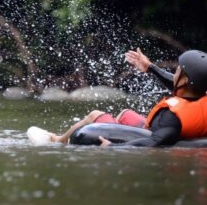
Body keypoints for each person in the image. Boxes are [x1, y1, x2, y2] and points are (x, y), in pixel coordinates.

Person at [27, 48, 207, 147]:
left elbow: (155, 141)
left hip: (154, 134)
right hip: (156, 128)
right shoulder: (199, 94)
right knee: (125, 114)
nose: (173, 74)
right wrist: (150, 67)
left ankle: (56, 141)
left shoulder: (172, 117)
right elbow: (178, 86)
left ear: (185, 80)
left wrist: (114, 147)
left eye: (177, 71)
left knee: (94, 114)